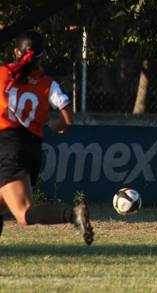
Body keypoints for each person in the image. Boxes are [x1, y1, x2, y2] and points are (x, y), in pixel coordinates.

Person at [0, 30, 94, 245]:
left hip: (6, 145)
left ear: (16, 52)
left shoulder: (3, 74)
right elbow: (67, 119)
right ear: (41, 57)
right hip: (32, 148)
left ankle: (72, 214)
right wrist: (56, 125)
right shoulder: (47, 83)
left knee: (24, 213)